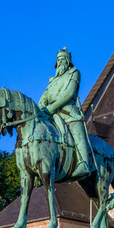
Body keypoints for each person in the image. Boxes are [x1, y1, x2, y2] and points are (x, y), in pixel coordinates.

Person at [38, 48, 94, 177]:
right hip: (51, 115)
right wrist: (42, 108)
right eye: (58, 60)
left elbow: (68, 94)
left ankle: (84, 163)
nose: (61, 61)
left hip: (68, 111)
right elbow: (43, 98)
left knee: (77, 131)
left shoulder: (74, 73)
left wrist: (51, 109)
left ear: (68, 61)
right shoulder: (52, 80)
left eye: (63, 59)